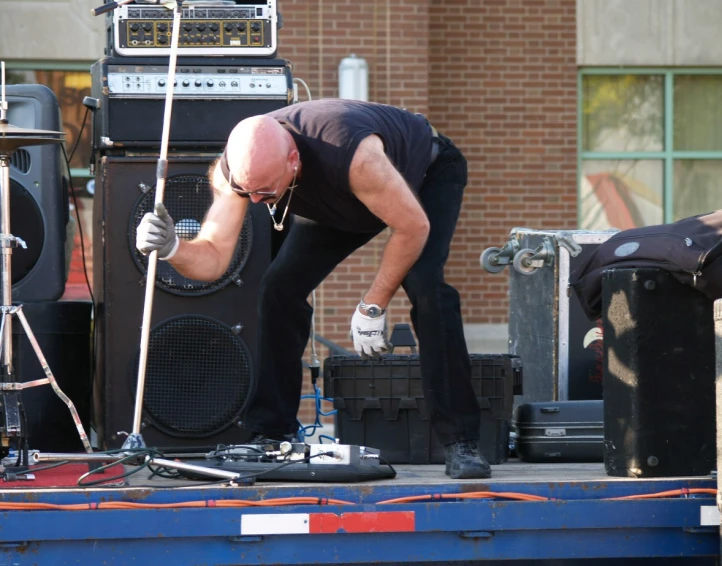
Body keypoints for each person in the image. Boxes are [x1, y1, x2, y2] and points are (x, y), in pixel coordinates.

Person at [136, 99, 490, 479]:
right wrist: (173, 247)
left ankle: (461, 441)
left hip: (423, 174)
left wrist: (372, 305)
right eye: (249, 192)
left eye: (267, 194)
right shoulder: (235, 174)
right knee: (279, 289)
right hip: (344, 201)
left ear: (293, 161)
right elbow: (213, 260)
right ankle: (273, 432)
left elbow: (412, 228)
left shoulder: (353, 156)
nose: (255, 201)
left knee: (426, 288)